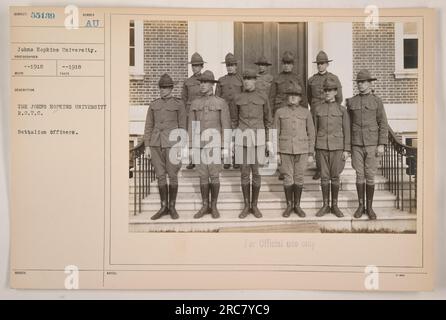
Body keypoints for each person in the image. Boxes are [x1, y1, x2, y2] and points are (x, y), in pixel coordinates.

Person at [189, 70, 231, 219]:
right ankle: (204, 205)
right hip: (199, 146)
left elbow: (226, 125)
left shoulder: (220, 103)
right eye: (201, 82)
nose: (202, 85)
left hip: (215, 145)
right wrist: (191, 147)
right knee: (202, 176)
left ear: (212, 85)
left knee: (214, 176)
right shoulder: (195, 103)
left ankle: (214, 206)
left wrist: (225, 148)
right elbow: (192, 127)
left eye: (205, 82)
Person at [346, 69, 388, 220]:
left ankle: (369, 207)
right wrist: (348, 146)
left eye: (363, 82)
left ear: (370, 83)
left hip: (372, 144)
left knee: (370, 176)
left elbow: (383, 123)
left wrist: (381, 143)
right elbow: (348, 125)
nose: (361, 85)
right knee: (359, 175)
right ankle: (360, 205)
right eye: (359, 82)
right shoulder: (351, 102)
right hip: (356, 144)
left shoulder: (377, 101)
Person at [143, 74, 187, 220]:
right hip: (156, 144)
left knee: (172, 175)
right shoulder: (153, 105)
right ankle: (163, 207)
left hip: (172, 145)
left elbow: (183, 126)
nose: (163, 90)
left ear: (171, 88)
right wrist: (147, 146)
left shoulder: (178, 104)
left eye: (166, 87)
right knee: (161, 176)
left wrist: (181, 146)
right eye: (161, 87)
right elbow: (148, 126)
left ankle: (172, 207)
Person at [233, 69, 273, 219]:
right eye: (245, 79)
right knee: (244, 173)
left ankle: (254, 205)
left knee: (256, 173)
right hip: (242, 140)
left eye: (250, 79)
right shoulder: (238, 98)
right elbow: (234, 121)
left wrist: (268, 140)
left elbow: (268, 120)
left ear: (255, 81)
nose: (248, 82)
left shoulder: (263, 97)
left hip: (258, 139)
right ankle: (246, 205)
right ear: (243, 81)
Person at [274, 83, 315, 218]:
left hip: (302, 150)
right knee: (288, 178)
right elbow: (275, 132)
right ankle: (289, 205)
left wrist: (310, 153)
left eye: (296, 95)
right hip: (285, 150)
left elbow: (311, 133)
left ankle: (297, 205)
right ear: (287, 97)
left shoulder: (306, 112)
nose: (293, 98)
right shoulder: (280, 112)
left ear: (300, 98)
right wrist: (277, 152)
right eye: (290, 95)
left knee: (299, 177)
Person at [314, 78, 351, 218]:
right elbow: (315, 130)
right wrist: (314, 148)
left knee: (335, 177)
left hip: (337, 147)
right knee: (324, 177)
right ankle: (325, 205)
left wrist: (347, 149)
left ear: (335, 92)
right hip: (322, 147)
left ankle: (335, 206)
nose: (327, 93)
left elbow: (347, 130)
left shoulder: (342, 110)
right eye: (325, 90)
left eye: (330, 90)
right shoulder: (318, 109)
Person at [269, 51, 306, 180]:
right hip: (280, 112)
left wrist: (304, 111)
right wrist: (272, 113)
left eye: (289, 63)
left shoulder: (297, 78)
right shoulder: (277, 78)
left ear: (292, 65)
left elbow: (304, 98)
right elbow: (271, 97)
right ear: (282, 64)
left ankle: (292, 170)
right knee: (280, 138)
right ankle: (282, 169)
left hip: (295, 113)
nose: (287, 66)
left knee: (292, 139)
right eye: (285, 63)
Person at [307, 51, 343, 180]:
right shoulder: (311, 80)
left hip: (330, 112)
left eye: (322, 63)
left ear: (327, 64)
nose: (320, 66)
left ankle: (330, 169)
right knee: (317, 139)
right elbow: (309, 97)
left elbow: (339, 98)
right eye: (318, 64)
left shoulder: (334, 78)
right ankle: (319, 168)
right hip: (316, 113)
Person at [216, 53, 244, 169]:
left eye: (232, 65)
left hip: (237, 112)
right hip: (225, 113)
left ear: (236, 66)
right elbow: (216, 98)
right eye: (228, 65)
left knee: (237, 136)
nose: (230, 67)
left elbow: (244, 97)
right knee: (226, 135)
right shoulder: (221, 80)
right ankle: (227, 159)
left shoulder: (241, 80)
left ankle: (237, 159)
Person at [182, 52, 205, 169]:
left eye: (197, 65)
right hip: (191, 112)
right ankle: (192, 160)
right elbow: (183, 100)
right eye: (193, 66)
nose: (195, 68)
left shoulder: (206, 80)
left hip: (203, 111)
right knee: (192, 136)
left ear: (201, 66)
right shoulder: (187, 82)